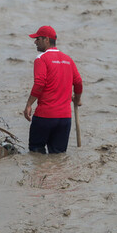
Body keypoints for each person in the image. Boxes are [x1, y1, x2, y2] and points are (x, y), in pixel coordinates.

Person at [23, 25, 82, 154]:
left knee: (36, 154)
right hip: (65, 119)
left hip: (45, 117)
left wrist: (28, 104)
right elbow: (78, 82)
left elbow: (39, 83)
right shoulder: (68, 60)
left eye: (38, 39)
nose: (35, 42)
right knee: (58, 158)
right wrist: (77, 99)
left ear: (46, 40)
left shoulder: (41, 59)